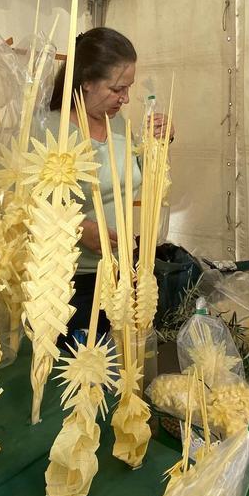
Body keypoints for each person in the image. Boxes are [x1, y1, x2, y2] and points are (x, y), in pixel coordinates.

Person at [47, 27, 173, 334]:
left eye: (128, 88)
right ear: (86, 81)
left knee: (123, 365)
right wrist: (78, 228)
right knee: (79, 369)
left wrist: (158, 146)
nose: (125, 99)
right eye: (117, 89)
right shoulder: (50, 131)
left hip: (124, 271)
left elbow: (144, 177)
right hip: (72, 282)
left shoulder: (120, 126)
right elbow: (21, 203)